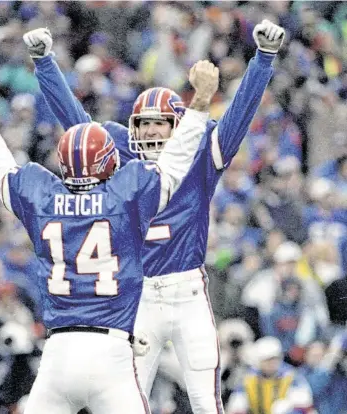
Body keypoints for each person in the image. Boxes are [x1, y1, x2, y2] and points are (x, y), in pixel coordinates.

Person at [23, 18, 285, 413]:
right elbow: (77, 125)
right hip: (138, 297)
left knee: (205, 399)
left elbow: (239, 116)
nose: (149, 133)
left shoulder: (200, 152)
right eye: (143, 125)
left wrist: (263, 59)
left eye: (159, 124)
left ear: (179, 125)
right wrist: (45, 64)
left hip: (187, 293)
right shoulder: (121, 161)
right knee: (131, 400)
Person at [0, 61, 218, 413]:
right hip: (110, 355)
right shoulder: (126, 196)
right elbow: (175, 161)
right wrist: (200, 102)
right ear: (110, 162)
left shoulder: (42, 197)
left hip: (57, 355)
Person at [226, 336, 315, 414]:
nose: (272, 363)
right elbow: (236, 407)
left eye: (275, 359)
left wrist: (288, 407)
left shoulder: (291, 376)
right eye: (267, 360)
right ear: (259, 361)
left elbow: (305, 406)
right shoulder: (249, 379)